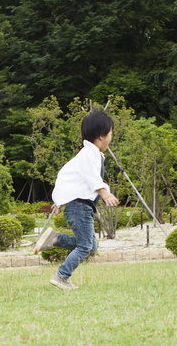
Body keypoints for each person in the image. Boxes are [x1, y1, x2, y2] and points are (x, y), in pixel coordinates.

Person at [33, 110, 120, 290]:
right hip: (80, 208)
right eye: (111, 134)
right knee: (85, 246)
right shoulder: (90, 154)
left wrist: (59, 200)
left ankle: (55, 239)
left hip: (79, 207)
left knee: (90, 246)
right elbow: (90, 177)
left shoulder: (87, 155)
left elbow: (67, 177)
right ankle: (61, 276)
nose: (112, 138)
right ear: (102, 136)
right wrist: (104, 193)